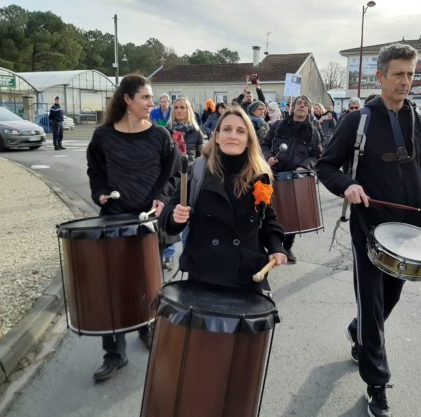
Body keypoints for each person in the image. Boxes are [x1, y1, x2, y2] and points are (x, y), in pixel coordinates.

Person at [316, 44, 421, 417]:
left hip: (410, 232)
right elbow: (326, 166)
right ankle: (377, 384)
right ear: (381, 77)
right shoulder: (358, 121)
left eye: (411, 74)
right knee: (373, 306)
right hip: (369, 230)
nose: (406, 81)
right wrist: (348, 187)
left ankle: (358, 332)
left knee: (389, 300)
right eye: (399, 74)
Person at [86, 74, 179, 382]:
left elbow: (171, 174)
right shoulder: (102, 136)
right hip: (112, 218)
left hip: (146, 219)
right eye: (146, 98)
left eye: (152, 98)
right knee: (112, 285)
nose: (152, 103)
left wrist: (160, 198)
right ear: (127, 99)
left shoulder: (160, 137)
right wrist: (98, 190)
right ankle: (114, 353)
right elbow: (95, 171)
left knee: (148, 280)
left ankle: (148, 327)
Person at [161, 106, 287, 291]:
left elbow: (267, 217)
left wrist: (276, 246)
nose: (233, 135)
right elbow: (169, 214)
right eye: (227, 129)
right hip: (204, 273)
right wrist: (175, 217)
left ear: (248, 141)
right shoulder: (198, 170)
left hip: (247, 274)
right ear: (217, 137)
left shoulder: (260, 175)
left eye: (240, 131)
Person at [261, 95, 322, 264]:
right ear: (293, 107)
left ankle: (287, 247)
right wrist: (268, 157)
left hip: (296, 177)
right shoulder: (278, 125)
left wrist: (305, 166)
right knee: (268, 211)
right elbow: (264, 144)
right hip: (273, 173)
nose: (301, 106)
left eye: (305, 104)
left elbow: (317, 155)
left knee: (291, 214)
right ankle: (267, 245)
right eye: (299, 103)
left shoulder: (313, 131)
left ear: (309, 110)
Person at [162, 97, 204, 270]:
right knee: (170, 217)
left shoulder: (196, 132)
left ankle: (189, 255)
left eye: (183, 107)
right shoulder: (165, 131)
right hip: (171, 181)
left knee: (188, 218)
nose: (179, 110)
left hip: (189, 181)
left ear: (188, 110)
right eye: (176, 107)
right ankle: (168, 254)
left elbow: (202, 159)